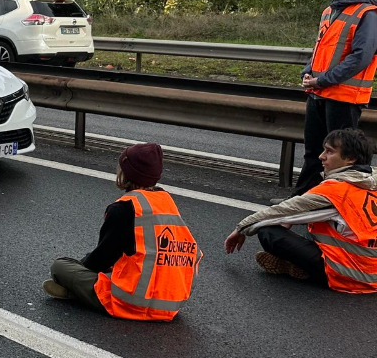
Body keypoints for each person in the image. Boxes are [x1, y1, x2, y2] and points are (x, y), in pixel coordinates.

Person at [43, 143, 201, 321]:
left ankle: (76, 292)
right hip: (172, 303)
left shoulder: (124, 208)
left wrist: (79, 268)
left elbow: (101, 259)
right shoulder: (166, 203)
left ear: (125, 173)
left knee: (60, 266)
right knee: (117, 265)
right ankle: (79, 291)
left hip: (131, 302)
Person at [225, 128, 377, 292]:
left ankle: (297, 267)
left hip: (351, 275)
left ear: (350, 159)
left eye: (329, 151)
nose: (321, 156)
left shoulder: (336, 191)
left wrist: (241, 228)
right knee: (314, 223)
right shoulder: (371, 182)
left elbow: (280, 212)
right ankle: (296, 265)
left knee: (267, 230)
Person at [295, 0, 377, 195]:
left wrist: (322, 80)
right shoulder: (329, 11)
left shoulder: (368, 13)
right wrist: (309, 71)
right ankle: (303, 199)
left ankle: (341, 201)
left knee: (343, 156)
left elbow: (360, 57)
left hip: (344, 96)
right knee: (315, 152)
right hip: (319, 92)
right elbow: (322, 47)